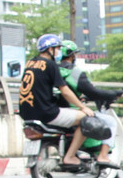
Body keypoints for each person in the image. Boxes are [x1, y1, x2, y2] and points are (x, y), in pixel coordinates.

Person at [18, 33, 92, 170]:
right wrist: (82, 107)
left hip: (26, 113)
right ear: (49, 49)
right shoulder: (50, 65)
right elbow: (65, 91)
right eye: (57, 48)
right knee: (85, 119)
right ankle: (70, 156)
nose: (58, 52)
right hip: (46, 112)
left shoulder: (30, 63)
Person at [57, 40, 114, 166]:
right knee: (110, 121)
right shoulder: (75, 72)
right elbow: (92, 92)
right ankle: (103, 156)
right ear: (72, 56)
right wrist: (113, 94)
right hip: (71, 111)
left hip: (55, 110)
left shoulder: (53, 70)